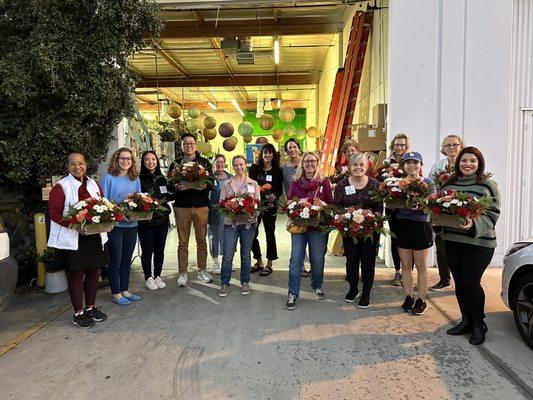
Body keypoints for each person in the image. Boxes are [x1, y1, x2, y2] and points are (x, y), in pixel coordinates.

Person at [437, 147, 500, 345]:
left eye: (473, 161)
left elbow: (493, 213)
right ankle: (465, 320)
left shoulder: (487, 185)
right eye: (464, 160)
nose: (468, 164)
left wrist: (474, 224)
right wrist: (435, 221)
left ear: (479, 163)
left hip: (479, 243)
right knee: (460, 282)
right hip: (453, 241)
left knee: (471, 282)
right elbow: (438, 208)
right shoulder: (449, 183)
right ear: (458, 163)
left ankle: (478, 324)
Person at [48, 151, 108, 328]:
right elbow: (55, 214)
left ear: (86, 164)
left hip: (93, 236)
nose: (77, 167)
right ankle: (78, 313)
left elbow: (103, 205)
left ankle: (90, 308)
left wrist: (106, 221)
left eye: (80, 163)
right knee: (76, 275)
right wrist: (75, 226)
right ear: (67, 167)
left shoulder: (93, 184)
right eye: (73, 164)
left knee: (93, 272)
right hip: (73, 238)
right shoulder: (61, 187)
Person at [286, 152, 333, 310]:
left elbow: (330, 204)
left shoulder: (323, 181)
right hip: (299, 226)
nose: (310, 164)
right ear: (302, 163)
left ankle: (316, 285)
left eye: (313, 161)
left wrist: (321, 205)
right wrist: (299, 204)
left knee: (317, 260)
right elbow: (290, 200)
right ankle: (292, 293)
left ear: (317, 163)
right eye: (307, 161)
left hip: (318, 227)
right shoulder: (295, 181)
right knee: (296, 260)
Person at [334, 154, 381, 308]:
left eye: (361, 165)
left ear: (367, 167)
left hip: (370, 231)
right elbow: (338, 207)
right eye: (355, 164)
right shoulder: (342, 185)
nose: (358, 168)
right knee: (352, 261)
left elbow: (379, 208)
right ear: (350, 167)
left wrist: (370, 218)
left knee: (368, 262)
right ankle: (353, 289)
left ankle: (366, 292)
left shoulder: (374, 184)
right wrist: (346, 218)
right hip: (350, 231)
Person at [169, 133, 214, 287]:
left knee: (201, 241)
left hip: (201, 205)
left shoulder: (204, 162)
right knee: (183, 242)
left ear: (196, 145)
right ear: (182, 146)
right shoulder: (175, 164)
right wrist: (176, 187)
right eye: (185, 143)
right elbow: (170, 184)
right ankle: (182, 273)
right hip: (182, 207)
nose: (189, 145)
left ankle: (202, 270)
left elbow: (211, 182)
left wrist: (205, 186)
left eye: (191, 143)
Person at [100, 147, 143, 306]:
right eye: (122, 158)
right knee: (116, 260)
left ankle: (125, 290)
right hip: (115, 225)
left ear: (132, 162)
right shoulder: (108, 178)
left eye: (129, 159)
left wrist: (136, 212)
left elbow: (139, 199)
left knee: (126, 259)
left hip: (132, 224)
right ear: (116, 160)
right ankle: (116, 293)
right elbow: (103, 201)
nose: (125, 161)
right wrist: (118, 212)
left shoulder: (135, 179)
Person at [396, 151, 435, 315]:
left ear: (421, 165)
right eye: (408, 162)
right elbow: (392, 203)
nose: (412, 165)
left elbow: (433, 204)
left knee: (420, 266)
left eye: (415, 162)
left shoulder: (428, 183)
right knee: (405, 265)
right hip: (403, 225)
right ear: (403, 166)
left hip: (421, 226)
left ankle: (421, 300)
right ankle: (408, 296)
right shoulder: (397, 183)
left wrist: (421, 205)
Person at [218, 155, 261, 297]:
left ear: (245, 165)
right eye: (236, 165)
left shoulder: (253, 184)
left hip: (248, 225)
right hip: (231, 225)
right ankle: (224, 283)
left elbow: (257, 204)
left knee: (245, 255)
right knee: (228, 255)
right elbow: (221, 204)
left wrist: (253, 214)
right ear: (232, 166)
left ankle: (245, 282)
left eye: (241, 164)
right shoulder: (227, 184)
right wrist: (230, 210)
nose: (239, 167)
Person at [428, 134, 464, 292]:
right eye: (448, 145)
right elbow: (431, 185)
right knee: (441, 245)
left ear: (460, 146)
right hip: (442, 209)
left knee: (461, 246)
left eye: (455, 145)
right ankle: (444, 279)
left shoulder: (465, 164)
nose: (451, 148)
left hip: (460, 209)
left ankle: (463, 281)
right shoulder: (438, 166)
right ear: (443, 148)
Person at [138, 151, 173, 291]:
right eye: (147, 159)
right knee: (147, 249)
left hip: (162, 219)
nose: (150, 162)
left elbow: (166, 196)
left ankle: (158, 275)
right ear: (143, 162)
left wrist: (178, 190)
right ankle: (148, 277)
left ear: (157, 161)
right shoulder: (138, 179)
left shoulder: (161, 178)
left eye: (153, 159)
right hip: (146, 220)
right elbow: (137, 198)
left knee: (160, 249)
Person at [249, 143, 284, 276]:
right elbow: (250, 186)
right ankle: (259, 261)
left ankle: (269, 264)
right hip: (256, 205)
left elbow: (279, 190)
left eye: (270, 152)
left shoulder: (278, 170)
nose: (267, 155)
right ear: (261, 154)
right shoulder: (254, 169)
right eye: (265, 152)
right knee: (252, 233)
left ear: (273, 155)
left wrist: (275, 195)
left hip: (270, 206)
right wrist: (255, 196)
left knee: (270, 234)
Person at [384, 133, 411, 286]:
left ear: (406, 146)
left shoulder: (412, 161)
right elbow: (382, 181)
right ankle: (397, 271)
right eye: (397, 145)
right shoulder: (387, 161)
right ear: (392, 146)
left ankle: (408, 271)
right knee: (395, 238)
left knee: (407, 238)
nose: (399, 147)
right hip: (392, 207)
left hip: (408, 207)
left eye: (402, 145)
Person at [282, 138, 310, 277]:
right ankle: (301, 265)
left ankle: (313, 262)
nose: (292, 150)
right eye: (289, 148)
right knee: (298, 233)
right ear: (286, 151)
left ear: (299, 148)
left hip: (310, 205)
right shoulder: (285, 168)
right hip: (293, 206)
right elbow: (284, 188)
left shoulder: (307, 163)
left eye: (294, 147)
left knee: (310, 232)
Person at [208, 154, 233, 275]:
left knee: (228, 237)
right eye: (217, 162)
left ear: (225, 164)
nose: (219, 164)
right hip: (214, 213)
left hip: (228, 213)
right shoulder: (209, 179)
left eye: (221, 162)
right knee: (215, 237)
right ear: (214, 164)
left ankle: (227, 261)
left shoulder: (230, 178)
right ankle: (216, 262)